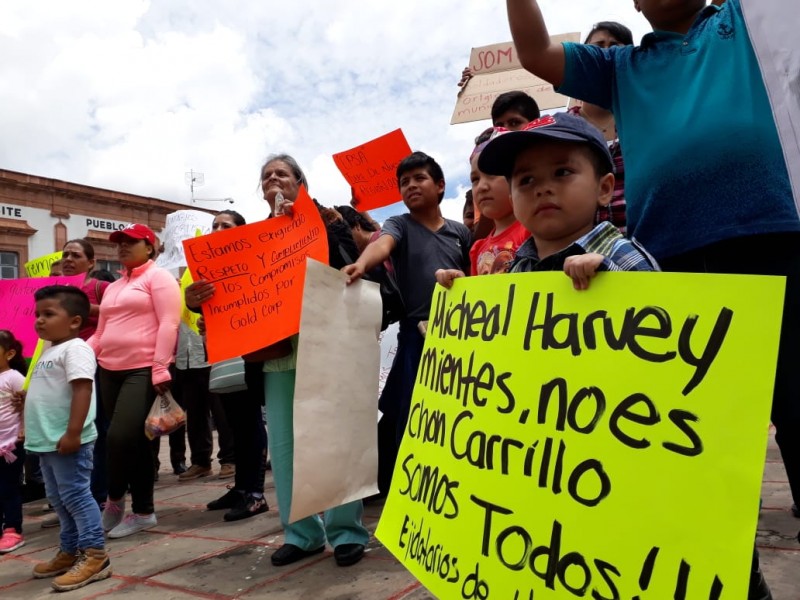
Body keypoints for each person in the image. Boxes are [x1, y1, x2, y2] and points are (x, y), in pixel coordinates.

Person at [505, 1, 795, 596]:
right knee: (698, 448)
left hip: (776, 244)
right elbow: (534, 53)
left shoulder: (746, 21)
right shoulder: (619, 68)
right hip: (673, 276)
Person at [255, 153, 370, 567]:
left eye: (282, 174)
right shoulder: (253, 238)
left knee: (337, 439)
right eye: (266, 176)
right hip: (280, 353)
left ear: (300, 183)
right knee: (284, 446)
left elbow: (348, 268)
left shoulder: (329, 219)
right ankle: (301, 533)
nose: (274, 180)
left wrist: (322, 224)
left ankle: (346, 531)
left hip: (328, 342)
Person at [343, 152, 472, 496]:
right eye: (404, 182)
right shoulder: (398, 224)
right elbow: (383, 246)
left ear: (441, 185)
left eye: (419, 178)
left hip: (460, 334)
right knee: (412, 414)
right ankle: (406, 489)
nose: (411, 185)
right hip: (416, 334)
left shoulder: (462, 233)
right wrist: (360, 263)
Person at [476, 112, 656, 282]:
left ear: (604, 189)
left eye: (562, 172)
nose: (542, 189)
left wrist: (610, 278)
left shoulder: (622, 255)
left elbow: (662, 308)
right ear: (512, 202)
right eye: (527, 180)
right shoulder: (518, 266)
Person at [89, 224, 181, 539]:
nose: (123, 247)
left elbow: (170, 321)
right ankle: (144, 512)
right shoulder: (114, 287)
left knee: (118, 437)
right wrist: (79, 356)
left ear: (149, 246)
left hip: (141, 369)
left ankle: (114, 497)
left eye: (131, 242)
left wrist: (159, 366)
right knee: (140, 442)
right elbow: (100, 333)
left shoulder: (160, 278)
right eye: (119, 243)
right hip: (108, 369)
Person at [22, 286, 111, 591]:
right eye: (37, 315)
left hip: (67, 440)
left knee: (76, 496)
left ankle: (95, 554)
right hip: (46, 442)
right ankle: (69, 549)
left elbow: (82, 390)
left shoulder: (77, 348)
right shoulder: (49, 350)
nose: (39, 321)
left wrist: (74, 432)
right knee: (59, 499)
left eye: (48, 314)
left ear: (74, 321)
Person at [184, 210, 270, 522]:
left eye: (226, 225)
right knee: (233, 423)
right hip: (221, 353)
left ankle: (255, 494)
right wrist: (194, 302)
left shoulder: (252, 261)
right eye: (215, 225)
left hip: (250, 350)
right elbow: (200, 309)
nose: (218, 229)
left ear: (240, 232)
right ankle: (241, 488)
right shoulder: (205, 269)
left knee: (249, 423)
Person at [568, 21, 633, 233]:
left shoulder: (647, 118)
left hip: (647, 249)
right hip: (577, 256)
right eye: (597, 47)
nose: (605, 53)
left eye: (615, 46)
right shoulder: (562, 129)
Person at [61, 239, 111, 509]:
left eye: (75, 255)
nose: (68, 259)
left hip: (96, 365)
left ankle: (99, 495)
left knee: (96, 431)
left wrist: (83, 308)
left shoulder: (101, 287)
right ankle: (72, 496)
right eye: (65, 254)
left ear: (91, 262)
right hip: (61, 368)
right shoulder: (54, 289)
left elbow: (121, 312)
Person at [0, 330, 27, 554]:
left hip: (11, 444)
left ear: (9, 353)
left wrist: (25, 428)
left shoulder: (13, 377)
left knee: (9, 487)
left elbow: (29, 403)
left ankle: (12, 529)